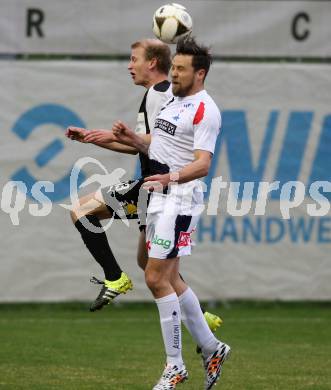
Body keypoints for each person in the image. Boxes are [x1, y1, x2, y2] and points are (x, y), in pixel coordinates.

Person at [65, 38, 222, 340]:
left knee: (81, 210)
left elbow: (158, 146)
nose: (129, 65)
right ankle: (201, 321)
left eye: (134, 59)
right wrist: (93, 137)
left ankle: (114, 278)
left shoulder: (161, 94)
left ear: (152, 63)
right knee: (152, 266)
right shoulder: (162, 95)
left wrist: (110, 139)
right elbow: (143, 143)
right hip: (156, 187)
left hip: (157, 187)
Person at [113, 37, 231, 390]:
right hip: (160, 195)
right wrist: (129, 138)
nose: (173, 74)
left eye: (180, 69)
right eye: (174, 67)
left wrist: (171, 176)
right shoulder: (173, 103)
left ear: (200, 74)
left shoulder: (205, 109)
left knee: (154, 277)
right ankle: (212, 347)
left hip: (180, 199)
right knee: (169, 279)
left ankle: (175, 366)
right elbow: (157, 144)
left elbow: (203, 164)